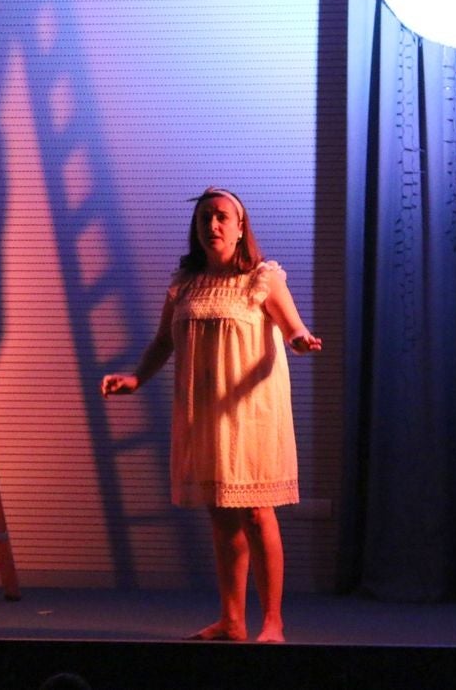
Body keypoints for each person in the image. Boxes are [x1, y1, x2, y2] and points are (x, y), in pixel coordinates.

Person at [102, 187, 321, 643]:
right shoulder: (185, 282)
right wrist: (136, 378)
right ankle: (233, 620)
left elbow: (291, 325)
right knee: (222, 517)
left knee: (259, 515)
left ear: (241, 229)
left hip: (252, 414)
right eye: (205, 218)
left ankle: (274, 623)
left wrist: (300, 339)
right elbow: (164, 341)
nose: (212, 226)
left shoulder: (263, 277)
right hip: (204, 415)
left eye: (221, 217)